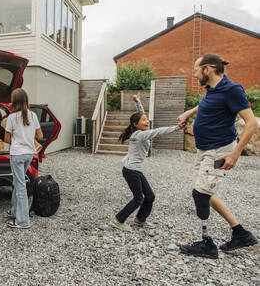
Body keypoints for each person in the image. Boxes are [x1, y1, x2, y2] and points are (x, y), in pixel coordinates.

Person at [177, 53, 258, 258]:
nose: (194, 74)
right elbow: (206, 104)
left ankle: (207, 244)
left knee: (200, 194)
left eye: (196, 70)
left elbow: (251, 123)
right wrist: (189, 113)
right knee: (207, 192)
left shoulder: (233, 90)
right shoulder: (213, 90)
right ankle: (241, 233)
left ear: (208, 69)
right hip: (205, 150)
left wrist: (235, 153)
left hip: (218, 150)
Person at [111, 95, 183, 232]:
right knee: (138, 198)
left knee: (150, 196)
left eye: (146, 119)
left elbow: (141, 115)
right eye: (143, 120)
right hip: (131, 170)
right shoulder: (140, 135)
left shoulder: (140, 131)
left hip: (135, 170)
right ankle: (118, 220)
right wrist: (176, 128)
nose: (146, 121)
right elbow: (157, 132)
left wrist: (138, 103)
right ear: (135, 124)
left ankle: (140, 219)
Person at [4, 88, 43, 229]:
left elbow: (7, 139)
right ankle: (15, 211)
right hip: (29, 154)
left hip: (17, 154)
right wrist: (27, 136)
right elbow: (40, 136)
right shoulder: (33, 116)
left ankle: (23, 221)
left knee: (20, 187)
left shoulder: (12, 118)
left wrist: (17, 136)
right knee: (17, 182)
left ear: (14, 101)